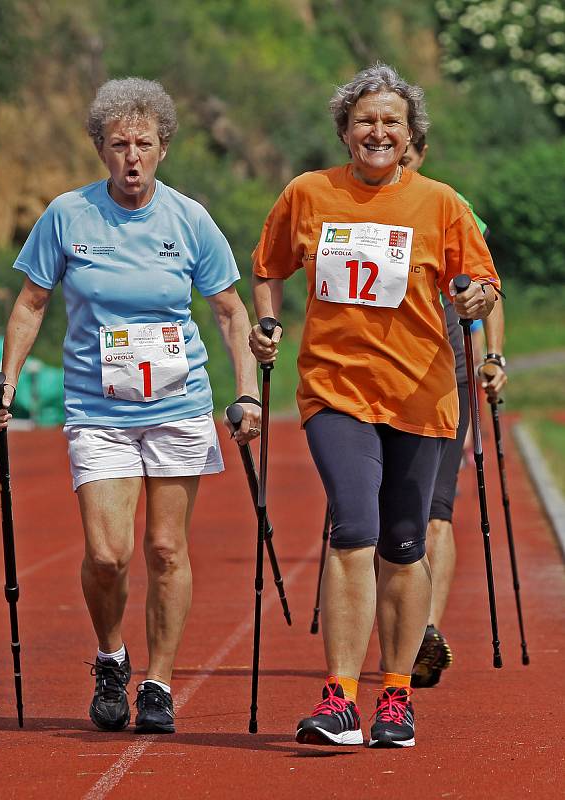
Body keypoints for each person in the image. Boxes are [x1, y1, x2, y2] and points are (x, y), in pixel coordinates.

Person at [0, 77, 261, 734]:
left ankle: (158, 683)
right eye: (117, 145)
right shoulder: (67, 215)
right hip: (97, 407)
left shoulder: (189, 218)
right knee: (108, 554)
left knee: (165, 548)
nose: (130, 157)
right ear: (100, 149)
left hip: (177, 401)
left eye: (143, 143)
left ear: (163, 148)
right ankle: (112, 656)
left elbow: (228, 309)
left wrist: (244, 389)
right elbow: (30, 304)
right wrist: (7, 380)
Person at [250, 63, 501, 749]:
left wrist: (476, 298)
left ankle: (395, 696)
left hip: (420, 395)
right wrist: (266, 322)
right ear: (344, 130)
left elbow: (479, 280)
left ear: (410, 133)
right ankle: (338, 697)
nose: (378, 131)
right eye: (365, 120)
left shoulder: (440, 203)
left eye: (391, 121)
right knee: (352, 529)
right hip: (335, 391)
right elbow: (268, 266)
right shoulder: (307, 194)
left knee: (403, 543)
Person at [400, 137, 507, 688]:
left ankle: (427, 632)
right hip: (383, 379)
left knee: (437, 509)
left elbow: (489, 287)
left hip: (450, 374)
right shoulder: (355, 204)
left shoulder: (452, 206)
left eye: (407, 154)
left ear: (418, 151)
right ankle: (406, 623)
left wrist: (493, 356)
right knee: (388, 516)